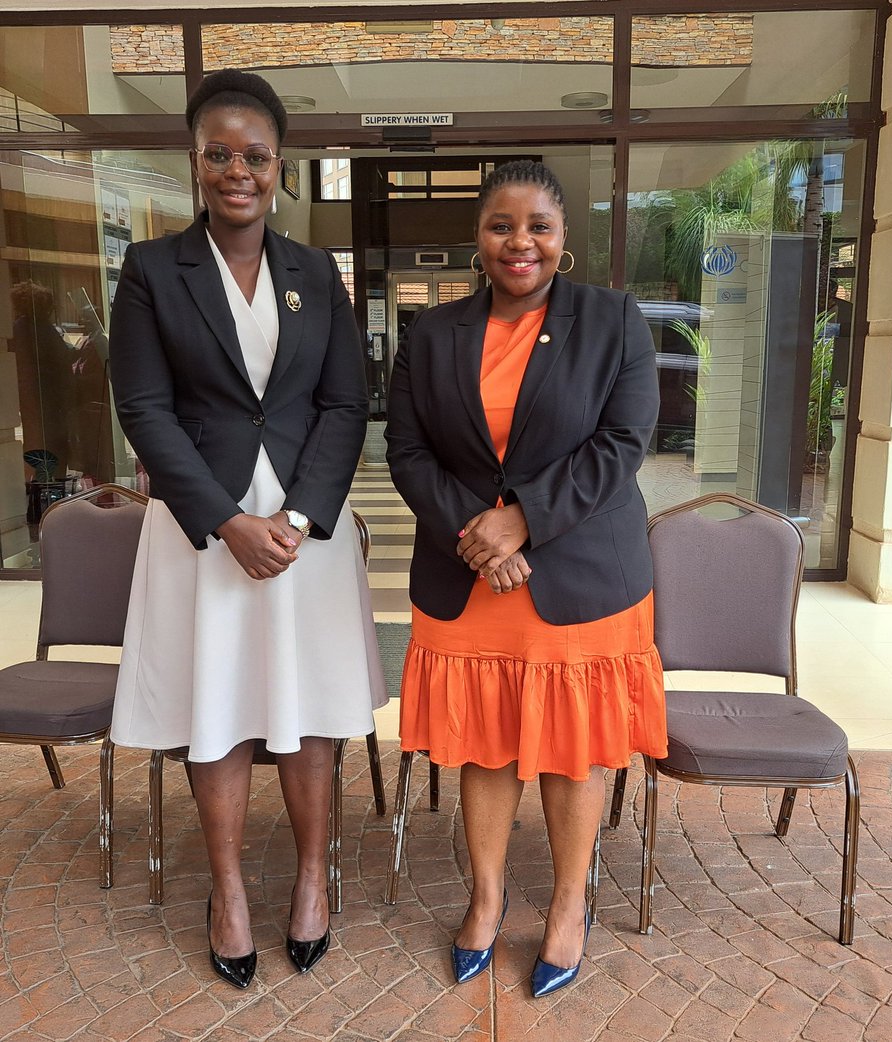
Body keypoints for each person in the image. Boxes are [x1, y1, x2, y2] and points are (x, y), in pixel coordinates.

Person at [107, 70, 386, 989]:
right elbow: (144, 410)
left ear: (281, 166)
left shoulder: (316, 272)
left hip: (306, 533)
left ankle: (310, 880)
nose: (238, 171)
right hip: (203, 533)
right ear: (194, 162)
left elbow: (347, 402)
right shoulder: (152, 270)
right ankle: (226, 892)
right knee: (217, 713)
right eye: (219, 154)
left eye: (255, 156)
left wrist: (297, 517)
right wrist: (228, 521)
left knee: (304, 711)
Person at [386, 160, 667, 999]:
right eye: (501, 225)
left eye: (538, 225)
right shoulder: (431, 334)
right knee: (485, 742)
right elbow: (406, 450)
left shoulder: (613, 320)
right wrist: (480, 533)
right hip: (468, 572)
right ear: (478, 238)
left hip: (579, 571)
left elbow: (625, 441)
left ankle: (570, 907)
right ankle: (486, 899)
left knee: (573, 750)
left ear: (563, 238)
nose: (520, 242)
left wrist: (526, 519)